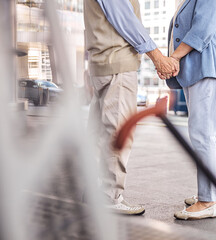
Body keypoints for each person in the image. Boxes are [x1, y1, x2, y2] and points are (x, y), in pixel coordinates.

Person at [84, 0, 179, 215]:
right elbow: (126, 20)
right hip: (117, 63)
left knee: (98, 133)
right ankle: (110, 196)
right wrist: (157, 57)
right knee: (119, 132)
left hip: (101, 64)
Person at [159, 0, 216, 220]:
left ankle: (207, 201)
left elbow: (203, 28)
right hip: (200, 67)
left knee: (202, 133)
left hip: (207, 66)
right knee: (210, 134)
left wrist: (174, 57)